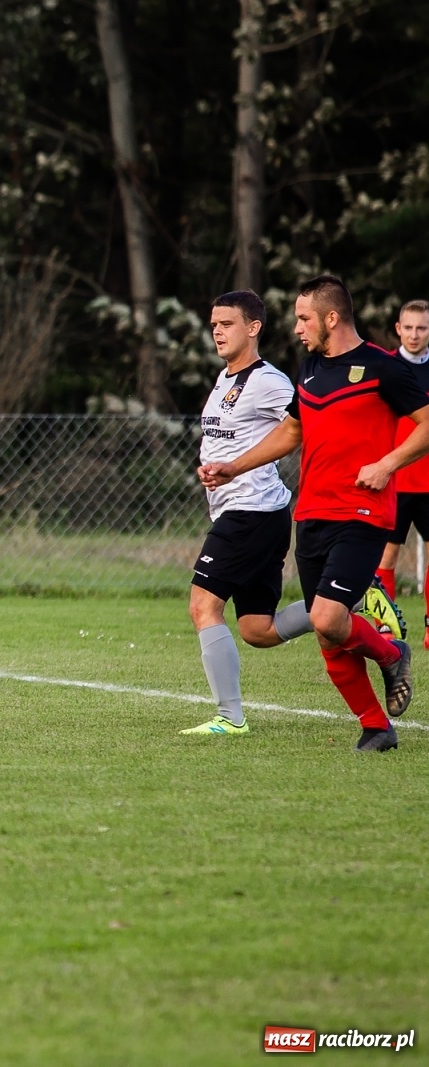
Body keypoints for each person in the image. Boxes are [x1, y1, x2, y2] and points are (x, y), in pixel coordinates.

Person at [200, 275, 429, 752]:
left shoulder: (382, 368)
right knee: (328, 638)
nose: (297, 328)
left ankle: (391, 655)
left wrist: (388, 464)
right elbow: (290, 432)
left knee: (326, 618)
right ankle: (375, 726)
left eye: (304, 318)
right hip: (312, 515)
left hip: (363, 513)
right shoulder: (308, 371)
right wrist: (232, 467)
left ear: (331, 318)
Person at [182, 291, 314, 736]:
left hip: (251, 511)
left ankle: (229, 717)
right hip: (254, 513)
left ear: (253, 327)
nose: (217, 330)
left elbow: (304, 426)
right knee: (258, 629)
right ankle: (345, 601)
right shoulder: (225, 379)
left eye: (227, 323)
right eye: (214, 323)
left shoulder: (268, 381)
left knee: (203, 607)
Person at [374, 299, 429, 631]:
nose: (414, 334)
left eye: (421, 328)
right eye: (408, 327)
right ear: (398, 329)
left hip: (428, 483)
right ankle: (386, 626)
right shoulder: (386, 368)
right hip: (393, 480)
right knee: (385, 557)